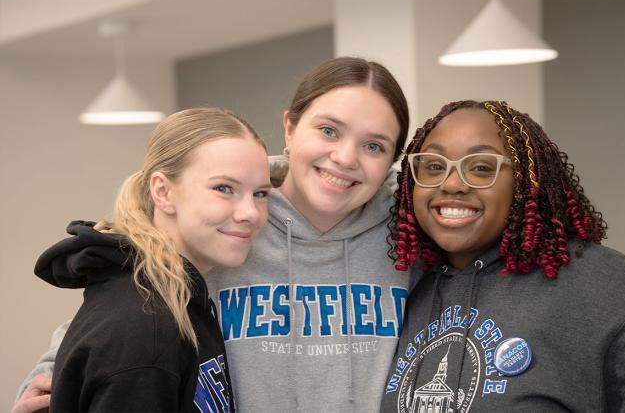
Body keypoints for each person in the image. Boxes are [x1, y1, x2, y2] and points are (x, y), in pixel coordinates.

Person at [15, 57, 414, 412]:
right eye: (328, 131)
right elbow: (120, 309)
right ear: (290, 129)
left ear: (392, 161)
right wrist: (44, 384)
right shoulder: (228, 226)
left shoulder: (410, 236)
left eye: (374, 146)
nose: (345, 157)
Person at [381, 100, 625, 412]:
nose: (451, 184)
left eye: (481, 168)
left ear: (526, 183)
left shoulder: (609, 288)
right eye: (434, 166)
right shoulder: (404, 288)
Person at [15, 107, 272, 412]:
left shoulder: (175, 299)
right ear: (163, 192)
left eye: (260, 193)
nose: (251, 214)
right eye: (223, 188)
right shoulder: (146, 329)